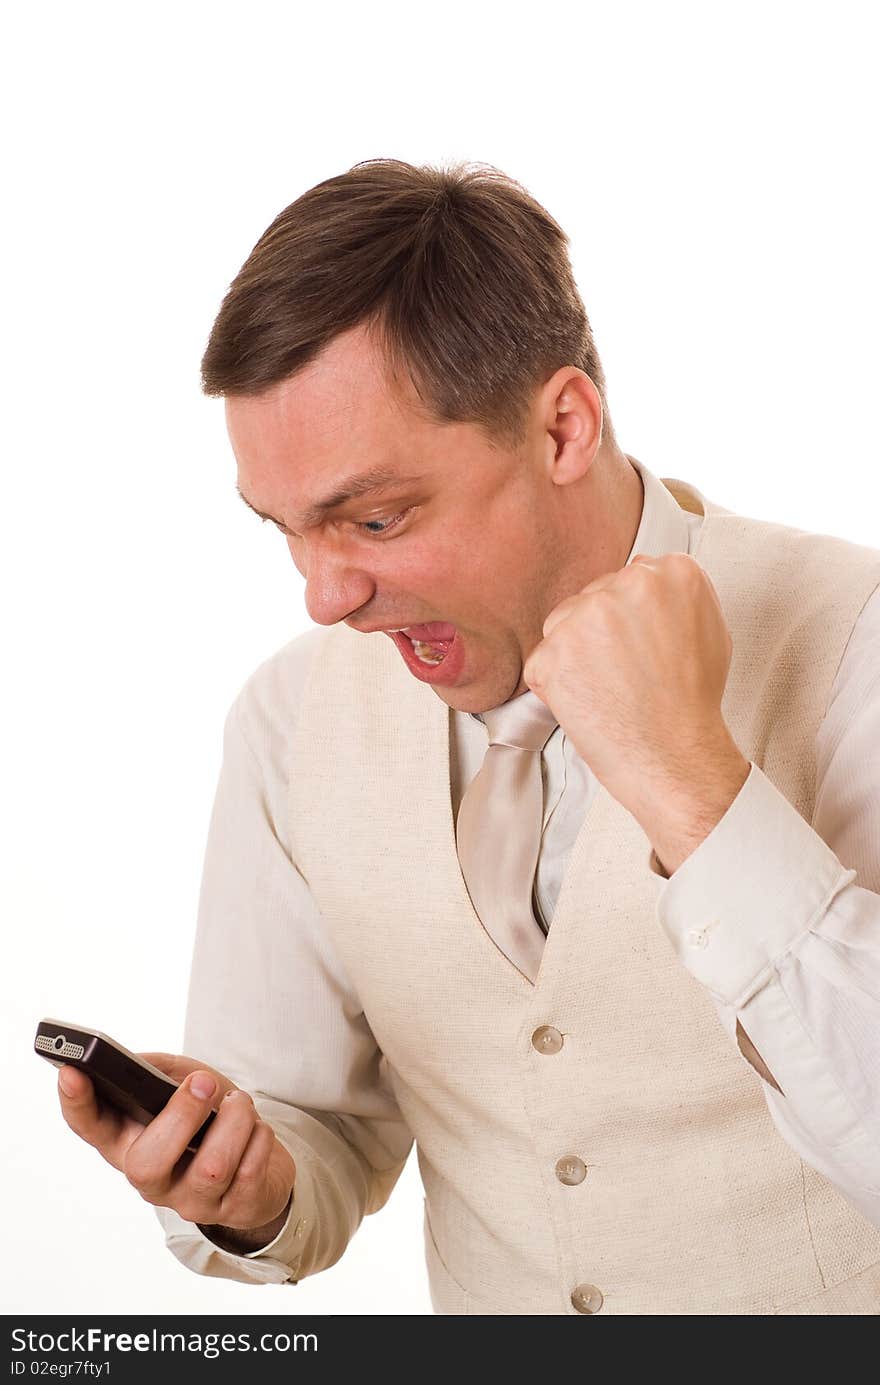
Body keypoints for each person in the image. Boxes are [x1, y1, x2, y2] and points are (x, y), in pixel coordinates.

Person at [57, 159, 880, 1316]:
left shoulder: (854, 644)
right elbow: (320, 1132)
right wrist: (246, 1180)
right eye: (283, 529)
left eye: (374, 517)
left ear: (560, 427)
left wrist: (688, 782)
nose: (324, 595)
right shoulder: (291, 722)